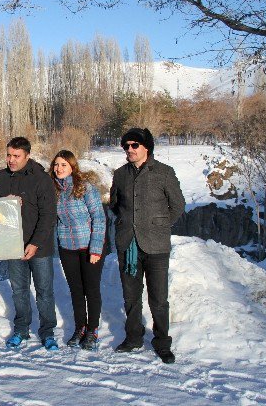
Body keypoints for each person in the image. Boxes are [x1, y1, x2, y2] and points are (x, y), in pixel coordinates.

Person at [109, 128, 185, 364]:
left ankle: (162, 342)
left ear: (146, 148)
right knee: (131, 297)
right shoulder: (120, 174)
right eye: (126, 146)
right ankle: (133, 337)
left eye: (134, 146)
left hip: (156, 246)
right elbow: (114, 204)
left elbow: (178, 205)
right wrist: (126, 223)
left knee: (158, 299)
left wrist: (159, 225)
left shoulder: (164, 172)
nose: (129, 150)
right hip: (127, 243)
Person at [0, 137, 59, 351]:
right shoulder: (2, 177)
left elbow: (48, 216)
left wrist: (36, 243)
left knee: (44, 291)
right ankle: (21, 329)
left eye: (16, 156)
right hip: (13, 245)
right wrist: (3, 202)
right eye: (9, 155)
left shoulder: (41, 179)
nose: (11, 160)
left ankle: (47, 332)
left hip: (39, 247)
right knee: (19, 290)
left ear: (27, 156)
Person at [50, 150, 106, 350]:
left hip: (89, 246)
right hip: (67, 247)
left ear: (72, 167)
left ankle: (92, 330)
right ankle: (80, 328)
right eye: (56, 165)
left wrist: (96, 249)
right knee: (76, 290)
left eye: (64, 165)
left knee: (91, 289)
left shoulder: (85, 188)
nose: (59, 168)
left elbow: (99, 217)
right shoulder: (54, 190)